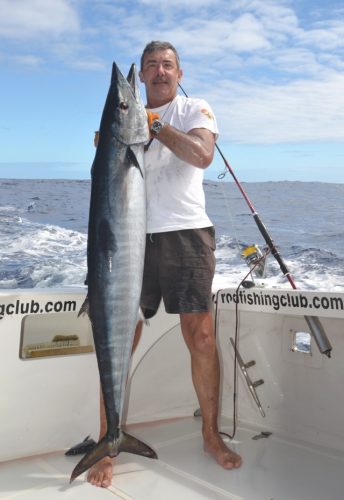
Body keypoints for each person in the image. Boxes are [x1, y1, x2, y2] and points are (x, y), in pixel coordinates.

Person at [88, 40, 242, 488]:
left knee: (202, 336)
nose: (158, 71)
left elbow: (202, 155)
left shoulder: (195, 110)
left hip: (186, 233)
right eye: (151, 64)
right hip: (126, 240)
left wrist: (152, 126)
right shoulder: (127, 122)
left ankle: (210, 436)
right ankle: (108, 439)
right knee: (120, 334)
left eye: (167, 64)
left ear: (179, 71)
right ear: (142, 75)